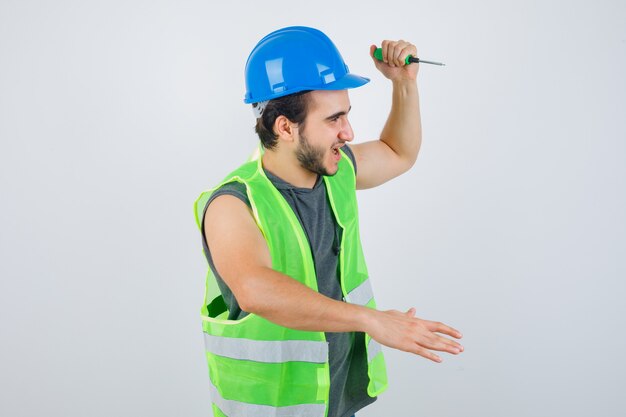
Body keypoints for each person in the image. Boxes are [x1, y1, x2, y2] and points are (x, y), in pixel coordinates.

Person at [194, 26, 464, 417]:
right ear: (285, 127)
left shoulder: (335, 172)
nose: (349, 132)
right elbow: (255, 288)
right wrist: (370, 321)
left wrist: (404, 85)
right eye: (334, 119)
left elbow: (398, 152)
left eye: (347, 116)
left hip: (332, 405)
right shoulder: (234, 203)